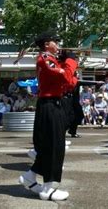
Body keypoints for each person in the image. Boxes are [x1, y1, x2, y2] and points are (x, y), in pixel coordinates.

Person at [19, 31, 77, 201]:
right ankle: (48, 188)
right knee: (54, 148)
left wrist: (68, 65)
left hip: (54, 105)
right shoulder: (45, 59)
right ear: (46, 44)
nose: (58, 46)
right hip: (49, 105)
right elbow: (66, 77)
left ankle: (30, 177)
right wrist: (71, 61)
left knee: (50, 147)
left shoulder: (52, 60)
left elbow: (70, 83)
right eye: (55, 42)